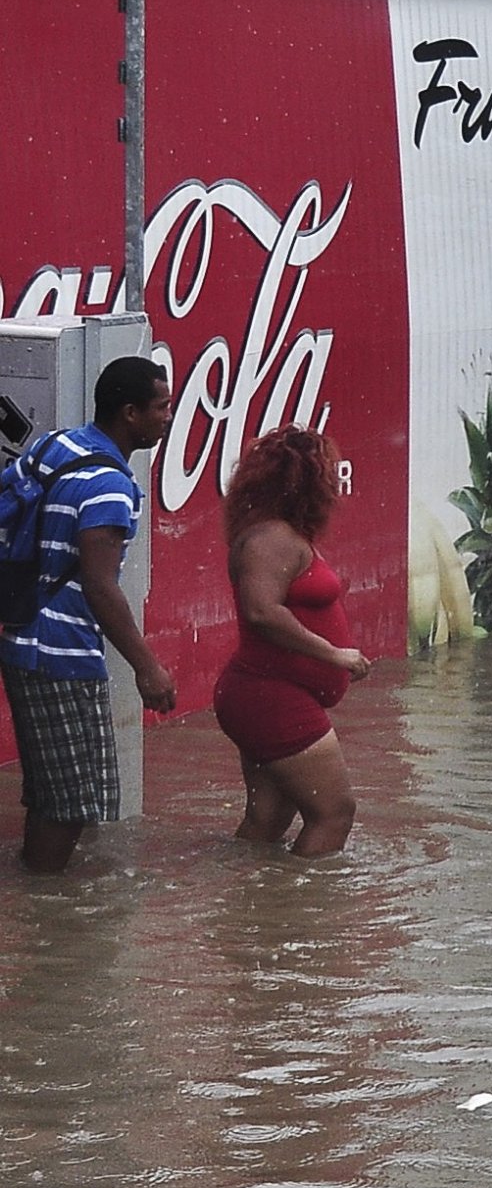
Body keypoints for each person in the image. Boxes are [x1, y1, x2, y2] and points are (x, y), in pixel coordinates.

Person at [0, 356, 178, 873]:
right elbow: (101, 588)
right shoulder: (108, 486)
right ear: (130, 413)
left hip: (24, 636)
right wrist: (148, 667)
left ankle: (41, 891)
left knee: (56, 792)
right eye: (161, 407)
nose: (168, 416)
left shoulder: (57, 444)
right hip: (59, 653)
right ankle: (47, 904)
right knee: (73, 802)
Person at [212, 427, 371, 855]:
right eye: (329, 474)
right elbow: (261, 612)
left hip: (265, 695)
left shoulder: (279, 534)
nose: (337, 484)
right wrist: (334, 654)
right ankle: (301, 921)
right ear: (306, 480)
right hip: (269, 697)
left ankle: (245, 905)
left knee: (268, 820)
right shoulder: (271, 539)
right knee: (334, 813)